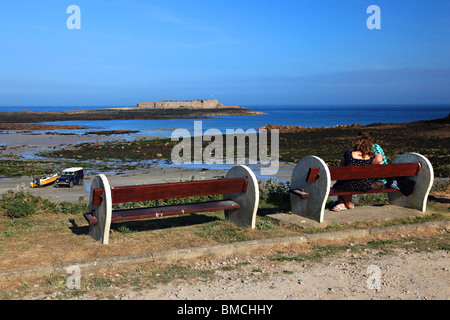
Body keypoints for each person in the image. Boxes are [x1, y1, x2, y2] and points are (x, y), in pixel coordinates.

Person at [331, 133, 374, 211]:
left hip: (349, 185)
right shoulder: (371, 157)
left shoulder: (349, 154)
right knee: (344, 181)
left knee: (341, 182)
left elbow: (341, 166)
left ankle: (346, 203)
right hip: (365, 185)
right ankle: (344, 204)